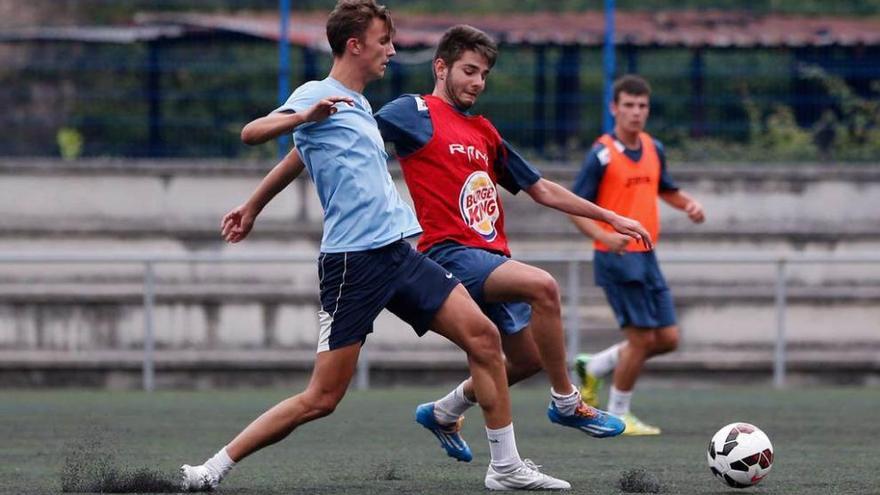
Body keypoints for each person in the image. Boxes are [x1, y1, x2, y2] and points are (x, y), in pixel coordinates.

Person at [179, 1, 568, 491]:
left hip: (399, 254)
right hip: (352, 264)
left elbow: (301, 156)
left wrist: (252, 207)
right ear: (355, 44)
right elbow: (252, 133)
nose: (392, 49)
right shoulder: (317, 95)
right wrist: (302, 115)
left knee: (485, 339)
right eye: (384, 41)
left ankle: (506, 468)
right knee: (322, 398)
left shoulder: (363, 105)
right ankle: (211, 469)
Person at [371, 25, 656, 461]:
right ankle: (566, 402)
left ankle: (443, 411)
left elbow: (540, 188)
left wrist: (609, 214)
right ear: (440, 67)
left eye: (484, 74)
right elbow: (358, 128)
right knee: (543, 286)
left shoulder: (484, 131)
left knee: (525, 361)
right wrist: (304, 120)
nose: (477, 82)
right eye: (469, 70)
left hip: (490, 257)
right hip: (447, 253)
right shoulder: (414, 111)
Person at [569, 75, 705, 436]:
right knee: (642, 339)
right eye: (628, 105)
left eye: (642, 106)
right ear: (614, 108)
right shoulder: (602, 153)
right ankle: (619, 414)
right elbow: (575, 207)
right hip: (616, 258)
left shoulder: (653, 147)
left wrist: (688, 204)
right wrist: (602, 235)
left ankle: (594, 366)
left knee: (668, 338)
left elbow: (666, 189)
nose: (635, 112)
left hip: (647, 255)